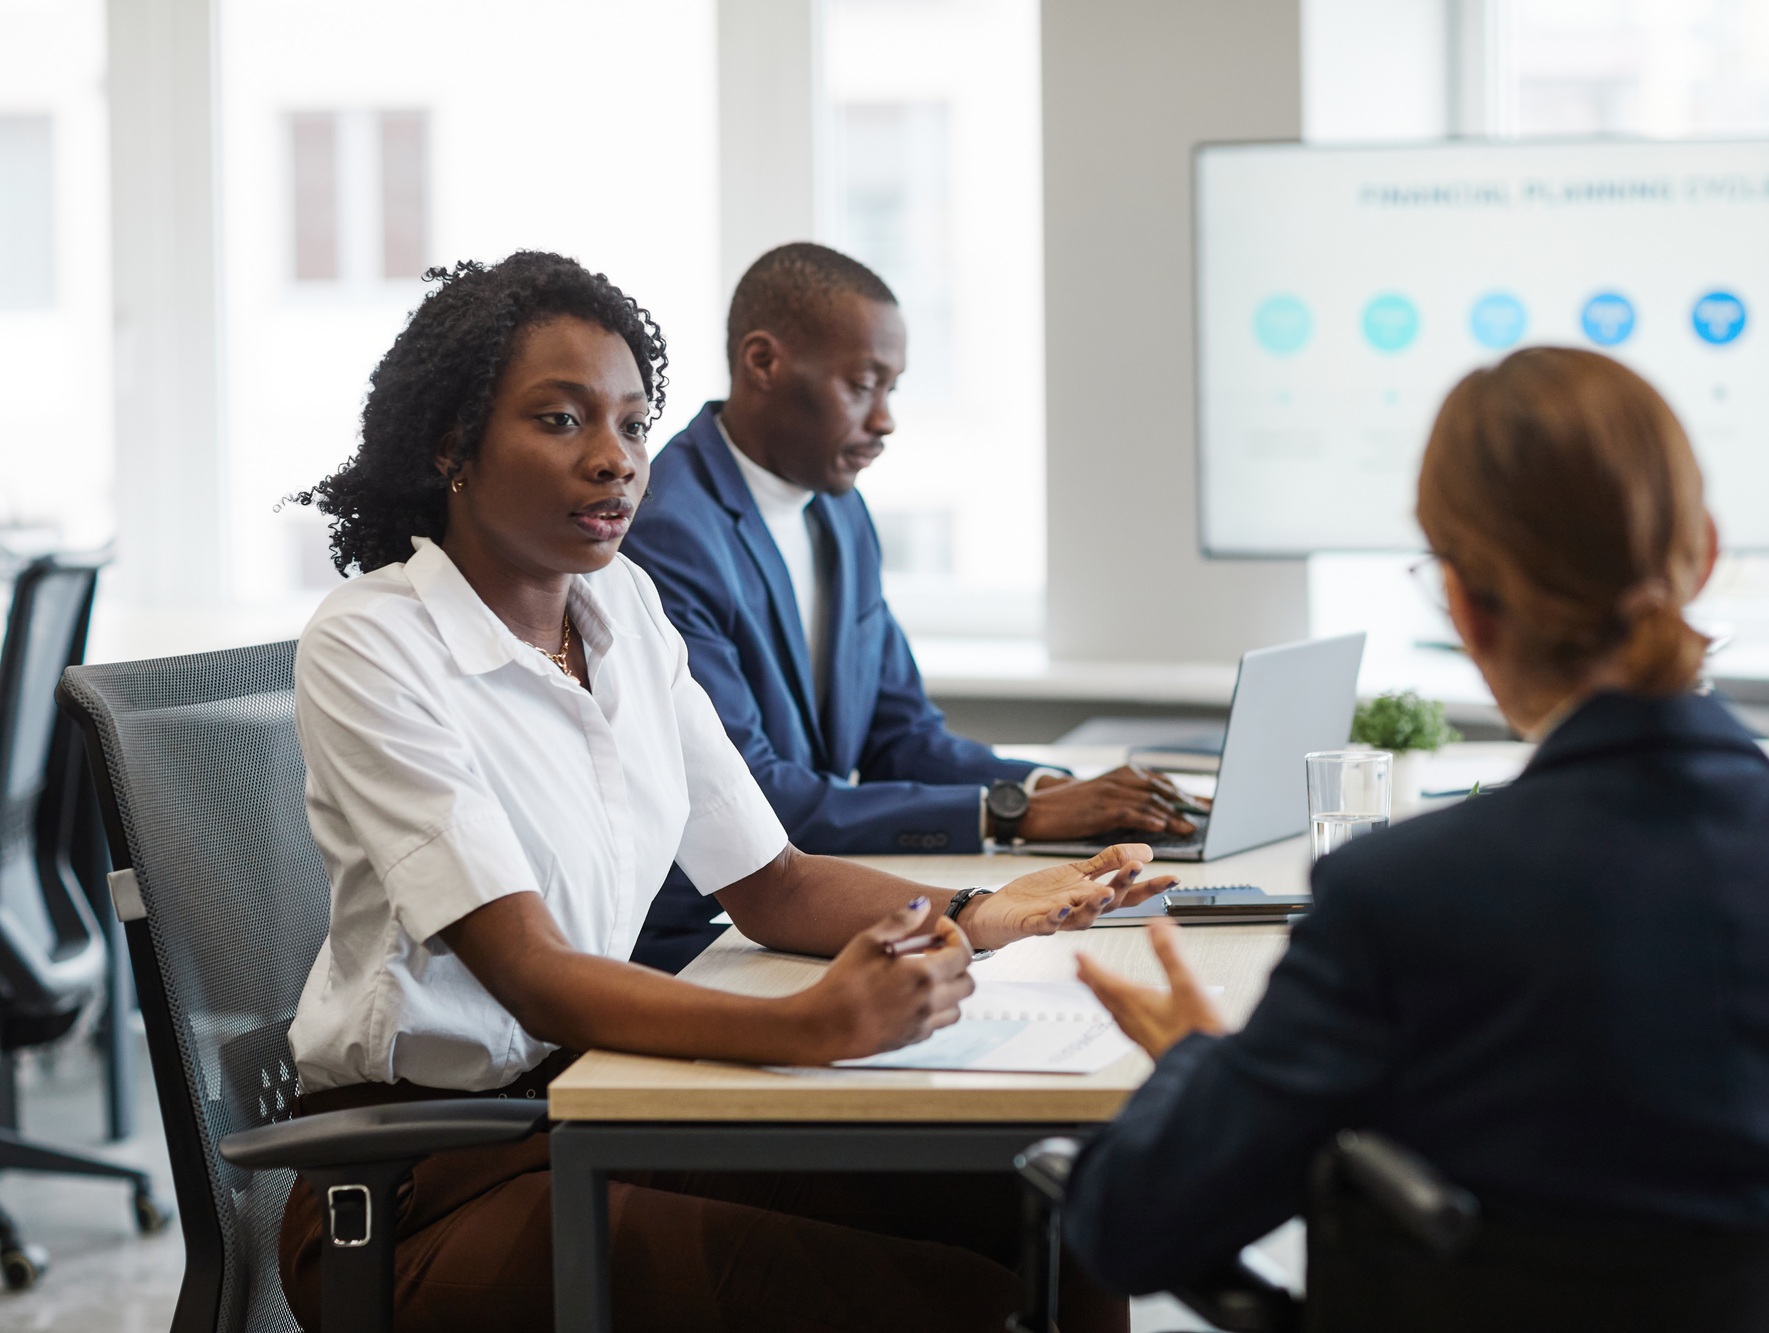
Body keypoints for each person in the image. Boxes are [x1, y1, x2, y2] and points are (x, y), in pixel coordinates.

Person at [280, 251, 1158, 1333]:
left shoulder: (622, 611)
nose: (614, 462)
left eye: (633, 425)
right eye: (561, 423)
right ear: (452, 444)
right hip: (427, 1186)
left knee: (1053, 1213)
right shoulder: (375, 642)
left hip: (601, 1108)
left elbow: (772, 881)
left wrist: (977, 916)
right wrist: (808, 1027)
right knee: (956, 1306)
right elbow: (533, 974)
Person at [1061, 346, 1769, 1299]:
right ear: (1703, 553)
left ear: (1464, 603)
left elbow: (1127, 1230)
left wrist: (1198, 1072)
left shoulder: (1402, 898)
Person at [621, 242, 1204, 971]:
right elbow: (760, 793)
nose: (887, 419)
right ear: (763, 363)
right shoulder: (668, 526)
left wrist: (1048, 788)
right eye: (864, 384)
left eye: (893, 387)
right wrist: (1010, 815)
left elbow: (902, 734)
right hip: (708, 938)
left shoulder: (839, 512)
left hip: (813, 911)